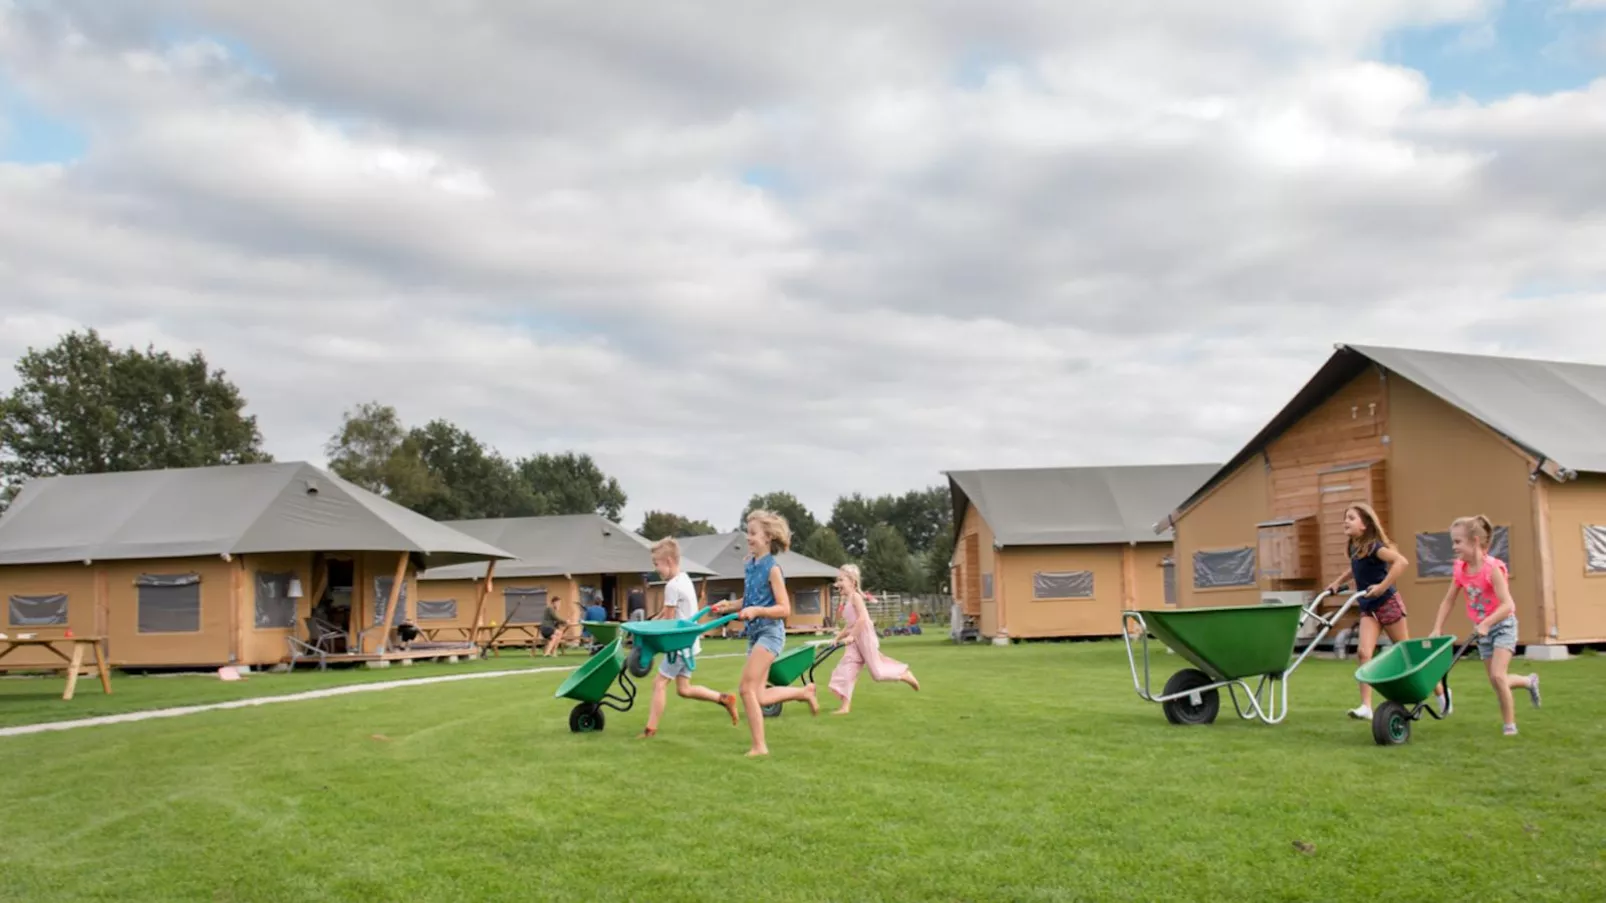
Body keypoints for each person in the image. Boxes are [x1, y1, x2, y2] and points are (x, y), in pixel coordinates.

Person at [710, 509, 819, 756]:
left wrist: (757, 610)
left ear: (768, 536)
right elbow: (750, 599)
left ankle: (760, 746)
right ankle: (803, 692)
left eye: (753, 533)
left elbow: (784, 608)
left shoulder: (773, 569)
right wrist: (731, 605)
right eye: (747, 533)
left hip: (770, 634)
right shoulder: (750, 564)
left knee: (745, 689)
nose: (748, 538)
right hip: (755, 634)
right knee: (757, 695)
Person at [1320, 503, 1438, 720]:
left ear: (1364, 525)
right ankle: (1366, 707)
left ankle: (1440, 690)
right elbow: (1355, 569)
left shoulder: (1375, 546)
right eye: (1345, 517)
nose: (1346, 521)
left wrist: (1382, 587)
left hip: (1387, 604)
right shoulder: (1354, 548)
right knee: (1364, 653)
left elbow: (1401, 562)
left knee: (1407, 654)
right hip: (1368, 609)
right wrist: (1337, 583)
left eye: (1351, 518)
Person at [1430, 515, 1541, 736]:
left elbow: (1508, 604)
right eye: (1453, 542)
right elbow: (1449, 600)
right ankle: (1529, 681)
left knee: (1499, 676)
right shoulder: (1460, 569)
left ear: (1476, 541)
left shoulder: (1492, 569)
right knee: (1496, 681)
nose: (1454, 547)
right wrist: (1437, 627)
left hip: (1503, 626)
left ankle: (1510, 727)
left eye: (1458, 542)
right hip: (1482, 630)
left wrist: (1487, 623)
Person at [637, 539, 740, 738]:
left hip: (678, 645)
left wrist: (646, 631)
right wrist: (651, 621)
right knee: (684, 689)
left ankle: (650, 730)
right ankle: (724, 699)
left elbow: (668, 622)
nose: (655, 568)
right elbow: (667, 615)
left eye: (656, 564)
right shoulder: (684, 579)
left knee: (658, 683)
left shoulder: (671, 587)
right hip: (689, 643)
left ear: (668, 561)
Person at [827, 564, 919, 715]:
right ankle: (845, 707)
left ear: (852, 582)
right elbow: (850, 624)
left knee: (877, 674)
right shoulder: (847, 600)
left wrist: (851, 636)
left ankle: (904, 674)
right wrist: (838, 637)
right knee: (847, 670)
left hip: (864, 637)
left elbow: (863, 618)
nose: (837, 584)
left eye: (841, 580)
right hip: (854, 640)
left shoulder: (856, 597)